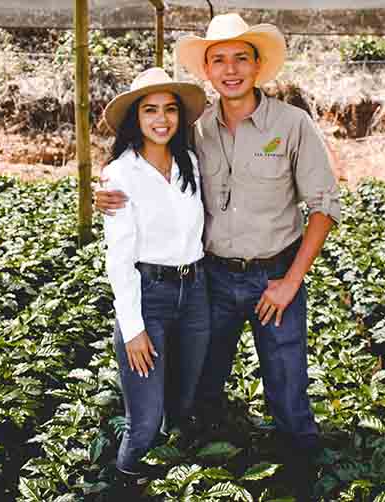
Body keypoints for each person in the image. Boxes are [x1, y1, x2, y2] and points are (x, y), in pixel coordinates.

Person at [96, 14, 341, 502]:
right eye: (218, 60)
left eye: (240, 58)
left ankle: (307, 474)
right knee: (203, 382)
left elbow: (324, 206)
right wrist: (104, 191)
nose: (230, 70)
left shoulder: (292, 125)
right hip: (210, 280)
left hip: (275, 277)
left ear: (257, 65)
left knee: (287, 385)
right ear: (207, 70)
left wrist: (291, 282)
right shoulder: (196, 133)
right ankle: (199, 470)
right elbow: (143, 172)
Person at [99, 67, 211, 497]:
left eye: (169, 110)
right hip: (151, 298)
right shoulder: (120, 175)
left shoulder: (191, 164)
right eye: (150, 110)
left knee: (181, 406)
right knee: (144, 425)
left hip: (195, 294)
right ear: (136, 118)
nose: (161, 119)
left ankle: (169, 482)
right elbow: (119, 259)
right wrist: (134, 330)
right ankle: (124, 483)